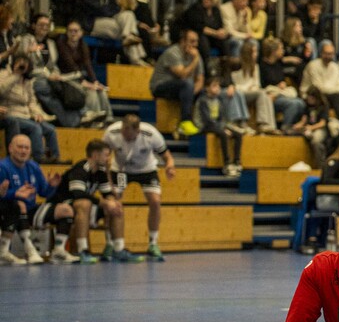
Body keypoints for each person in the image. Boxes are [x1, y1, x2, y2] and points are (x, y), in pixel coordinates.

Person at [43, 139, 141, 263]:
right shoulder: (80, 169)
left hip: (84, 208)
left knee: (115, 205)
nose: (108, 159)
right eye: (106, 155)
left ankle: (118, 249)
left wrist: (112, 202)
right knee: (84, 203)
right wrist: (105, 203)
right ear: (95, 155)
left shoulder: (100, 171)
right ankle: (82, 250)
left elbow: (108, 193)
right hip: (63, 205)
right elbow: (78, 194)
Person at [102, 114, 177, 261]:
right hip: (122, 171)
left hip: (146, 171)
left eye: (129, 136)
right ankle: (110, 243)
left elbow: (167, 157)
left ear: (138, 131)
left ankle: (153, 243)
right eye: (123, 133)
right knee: (113, 203)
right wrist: (108, 177)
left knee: (155, 201)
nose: (126, 138)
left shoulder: (151, 134)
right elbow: (103, 157)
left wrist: (170, 167)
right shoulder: (111, 132)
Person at [0, 134, 60, 264]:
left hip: (31, 209)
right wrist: (14, 194)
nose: (23, 151)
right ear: (10, 148)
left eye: (26, 148)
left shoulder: (33, 166)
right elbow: (2, 195)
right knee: (19, 205)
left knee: (65, 210)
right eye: (20, 147)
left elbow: (44, 193)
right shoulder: (3, 167)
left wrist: (51, 186)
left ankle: (60, 252)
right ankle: (29, 250)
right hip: (9, 208)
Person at [0, 53, 60, 164]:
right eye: (19, 63)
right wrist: (15, 76)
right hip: (12, 113)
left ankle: (55, 158)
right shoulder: (4, 74)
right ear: (14, 63)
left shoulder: (27, 80)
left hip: (27, 115)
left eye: (25, 64)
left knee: (50, 129)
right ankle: (39, 157)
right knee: (35, 128)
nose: (22, 66)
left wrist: (37, 114)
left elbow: (32, 101)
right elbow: (1, 90)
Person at [149, 28, 203, 137]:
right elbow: (182, 74)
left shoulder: (196, 55)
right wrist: (195, 60)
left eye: (197, 41)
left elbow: (200, 80)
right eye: (192, 41)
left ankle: (201, 124)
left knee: (207, 92)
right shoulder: (172, 53)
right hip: (161, 86)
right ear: (183, 41)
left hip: (182, 88)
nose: (195, 45)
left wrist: (190, 94)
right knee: (187, 83)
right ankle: (185, 121)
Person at [195, 77, 243, 177]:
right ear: (207, 88)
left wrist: (224, 127)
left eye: (218, 86)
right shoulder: (203, 100)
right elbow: (207, 120)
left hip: (216, 126)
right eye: (214, 86)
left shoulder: (218, 100)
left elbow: (221, 118)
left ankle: (237, 162)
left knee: (238, 134)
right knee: (223, 134)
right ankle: (227, 163)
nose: (217, 88)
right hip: (204, 126)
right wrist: (222, 129)